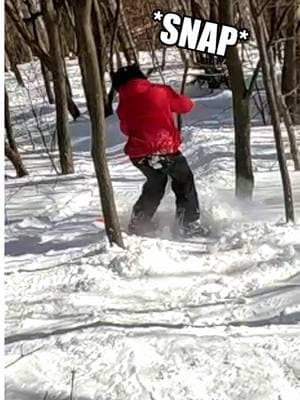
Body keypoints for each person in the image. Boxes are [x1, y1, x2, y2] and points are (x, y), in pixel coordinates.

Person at [112, 65, 201, 236]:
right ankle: (189, 225)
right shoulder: (160, 91)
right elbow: (186, 106)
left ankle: (139, 223)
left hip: (139, 154)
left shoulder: (123, 103)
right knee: (184, 182)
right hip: (165, 149)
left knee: (155, 184)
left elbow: (126, 129)